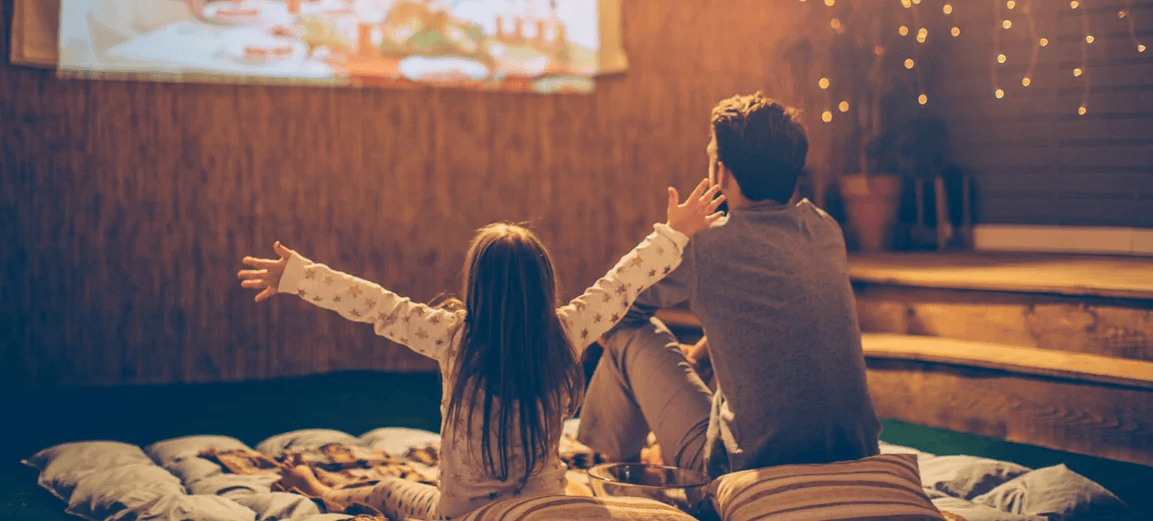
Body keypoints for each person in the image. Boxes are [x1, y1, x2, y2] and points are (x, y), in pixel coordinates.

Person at [237, 181, 724, 520]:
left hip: (464, 514)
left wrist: (298, 277)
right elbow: (621, 285)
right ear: (544, 283)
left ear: (477, 287)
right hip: (544, 506)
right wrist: (675, 232)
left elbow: (378, 306)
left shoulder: (454, 338)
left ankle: (323, 491)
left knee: (388, 491)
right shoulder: (566, 331)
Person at [578, 93, 882, 478]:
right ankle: (618, 457)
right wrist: (700, 355)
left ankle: (610, 465)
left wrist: (674, 235)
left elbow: (618, 313)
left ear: (721, 174)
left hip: (740, 469)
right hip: (854, 453)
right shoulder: (824, 228)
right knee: (695, 363)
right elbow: (781, 319)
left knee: (629, 336)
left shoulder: (706, 245)